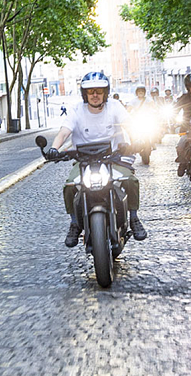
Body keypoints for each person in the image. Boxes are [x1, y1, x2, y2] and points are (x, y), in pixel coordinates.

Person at [47, 70, 147, 247]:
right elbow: (63, 132)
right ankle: (74, 223)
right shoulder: (76, 110)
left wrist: (137, 139)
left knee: (130, 180)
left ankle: (133, 217)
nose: (94, 94)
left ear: (105, 93)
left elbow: (129, 126)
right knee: (70, 186)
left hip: (114, 158)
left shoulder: (115, 106)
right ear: (84, 93)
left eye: (99, 91)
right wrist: (54, 148)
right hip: (84, 161)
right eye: (90, 91)